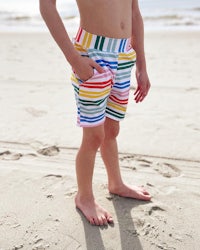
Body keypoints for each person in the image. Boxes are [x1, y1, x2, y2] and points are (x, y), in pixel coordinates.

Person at [40, 0, 151, 226]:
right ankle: (84, 196)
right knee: (94, 136)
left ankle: (116, 183)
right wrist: (75, 60)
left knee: (112, 130)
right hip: (92, 54)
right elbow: (46, 6)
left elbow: (134, 12)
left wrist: (141, 65)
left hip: (124, 55)